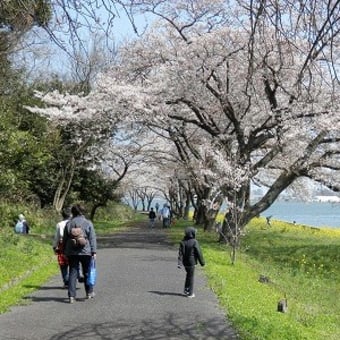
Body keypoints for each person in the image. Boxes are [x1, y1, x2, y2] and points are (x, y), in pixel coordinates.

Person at [63, 204, 97, 303]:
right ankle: (89, 292)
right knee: (87, 272)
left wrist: (64, 251)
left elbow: (65, 238)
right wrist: (94, 251)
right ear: (83, 212)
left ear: (72, 212)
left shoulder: (69, 223)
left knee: (73, 272)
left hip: (71, 251)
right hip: (86, 251)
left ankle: (71, 296)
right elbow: (92, 238)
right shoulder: (88, 223)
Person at [177, 227, 205, 298]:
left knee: (188, 275)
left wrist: (179, 263)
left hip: (185, 263)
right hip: (192, 262)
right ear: (192, 234)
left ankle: (186, 289)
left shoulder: (182, 241)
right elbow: (199, 253)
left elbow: (180, 253)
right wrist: (202, 263)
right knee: (191, 277)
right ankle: (190, 293)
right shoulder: (195, 242)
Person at [53, 208, 71, 288]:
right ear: (70, 215)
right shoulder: (73, 223)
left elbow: (57, 237)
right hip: (72, 244)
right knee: (73, 263)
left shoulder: (59, 224)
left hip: (62, 245)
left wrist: (54, 246)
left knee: (63, 264)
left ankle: (66, 281)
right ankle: (74, 278)